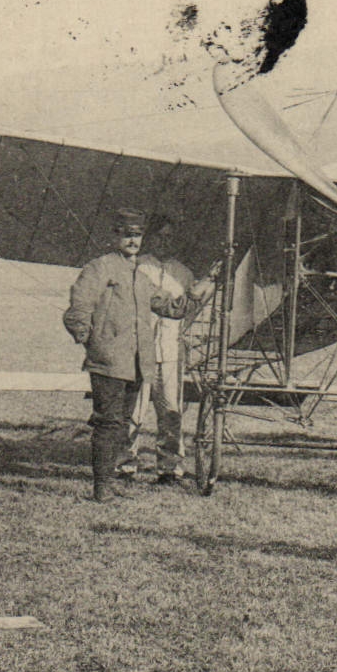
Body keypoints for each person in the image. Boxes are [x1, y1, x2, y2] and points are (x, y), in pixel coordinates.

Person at [62, 208, 216, 502]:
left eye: (137, 235)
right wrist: (92, 341)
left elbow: (172, 308)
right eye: (127, 234)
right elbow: (78, 309)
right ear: (115, 235)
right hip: (109, 362)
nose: (133, 240)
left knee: (120, 422)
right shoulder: (100, 268)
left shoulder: (139, 275)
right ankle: (103, 487)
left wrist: (200, 289)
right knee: (108, 423)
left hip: (137, 364)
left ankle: (110, 482)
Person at [118, 213, 198, 483]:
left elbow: (189, 312)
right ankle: (125, 464)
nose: (165, 242)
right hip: (139, 351)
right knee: (132, 411)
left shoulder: (184, 274)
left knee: (170, 412)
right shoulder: (139, 267)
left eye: (170, 238)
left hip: (171, 353)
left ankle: (169, 468)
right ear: (151, 239)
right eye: (160, 237)